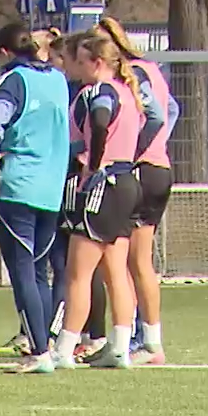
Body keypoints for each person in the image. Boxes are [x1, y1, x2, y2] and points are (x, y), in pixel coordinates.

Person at [0, 23, 72, 374]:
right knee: (40, 272)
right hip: (51, 188)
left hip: (17, 185)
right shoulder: (59, 79)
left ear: (4, 52)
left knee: (23, 272)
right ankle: (44, 343)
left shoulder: (14, 81)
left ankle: (39, 351)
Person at [53, 35, 143, 370]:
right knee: (115, 269)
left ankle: (64, 347)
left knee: (78, 273)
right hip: (127, 181)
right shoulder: (127, 92)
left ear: (97, 63)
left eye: (79, 60)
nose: (74, 66)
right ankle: (120, 345)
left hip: (105, 184)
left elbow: (101, 121)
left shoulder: (99, 92)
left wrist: (93, 164)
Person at [95, 15, 176, 365]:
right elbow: (172, 110)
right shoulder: (151, 68)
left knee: (131, 261)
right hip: (159, 167)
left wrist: (136, 150)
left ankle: (144, 342)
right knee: (135, 261)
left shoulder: (130, 75)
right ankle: (139, 339)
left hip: (143, 171)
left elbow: (156, 115)